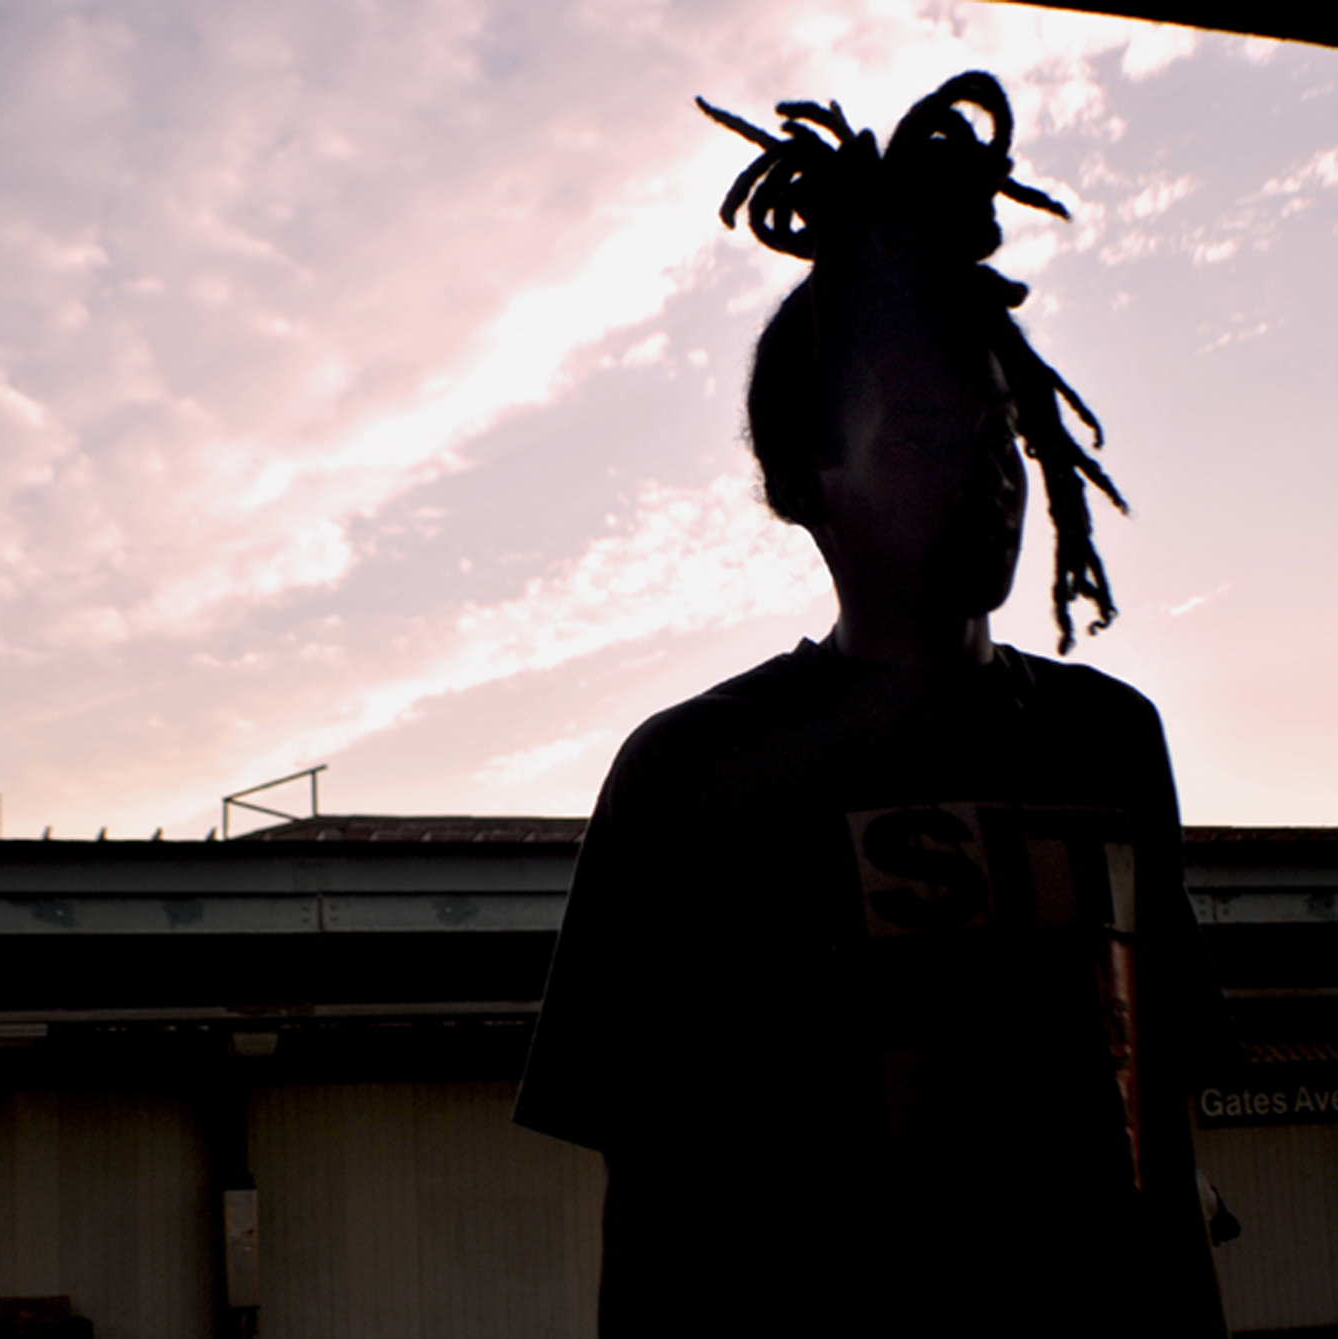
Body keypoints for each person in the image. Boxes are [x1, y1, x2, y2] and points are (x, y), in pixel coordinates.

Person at [514, 72, 1233, 1336]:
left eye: (1000, 435)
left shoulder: (1108, 741)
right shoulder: (692, 776)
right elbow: (657, 1210)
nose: (987, 476)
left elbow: (1158, 1152)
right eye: (921, 439)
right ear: (806, 483)